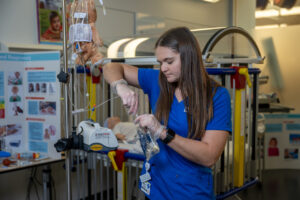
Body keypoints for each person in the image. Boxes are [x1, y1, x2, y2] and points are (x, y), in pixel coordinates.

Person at [102, 27, 232, 199]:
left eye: (169, 62)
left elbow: (209, 156)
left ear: (189, 58)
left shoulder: (216, 96)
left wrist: (162, 132)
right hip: (155, 189)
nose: (163, 68)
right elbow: (111, 67)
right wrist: (121, 85)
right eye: (160, 62)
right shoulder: (158, 82)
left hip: (189, 192)